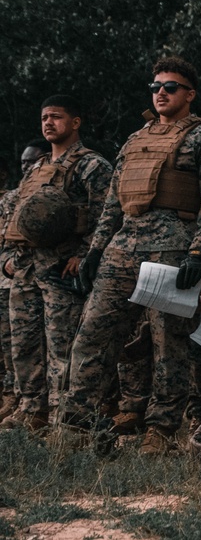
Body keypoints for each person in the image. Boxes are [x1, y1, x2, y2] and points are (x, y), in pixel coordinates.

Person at [60, 57, 201, 454]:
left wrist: (200, 253)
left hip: (173, 251)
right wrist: (96, 250)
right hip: (123, 249)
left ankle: (161, 431)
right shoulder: (135, 140)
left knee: (170, 346)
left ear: (190, 94)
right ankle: (78, 425)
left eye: (170, 86)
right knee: (92, 336)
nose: (161, 93)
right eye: (155, 87)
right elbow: (114, 203)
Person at [1, 96, 112, 431]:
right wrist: (7, 257)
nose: (49, 123)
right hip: (26, 268)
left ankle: (63, 413)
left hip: (61, 268)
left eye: (56, 117)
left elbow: (106, 214)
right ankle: (31, 409)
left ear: (75, 122)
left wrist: (85, 254)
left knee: (61, 345)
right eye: (44, 117)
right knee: (24, 343)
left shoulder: (93, 166)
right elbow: (16, 216)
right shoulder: (35, 170)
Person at [0, 140, 52, 420]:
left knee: (56, 344)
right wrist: (6, 263)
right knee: (19, 345)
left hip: (55, 273)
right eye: (23, 162)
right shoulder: (13, 197)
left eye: (32, 161)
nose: (27, 167)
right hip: (18, 277)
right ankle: (27, 404)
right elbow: (6, 238)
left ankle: (57, 407)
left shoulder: (56, 188)